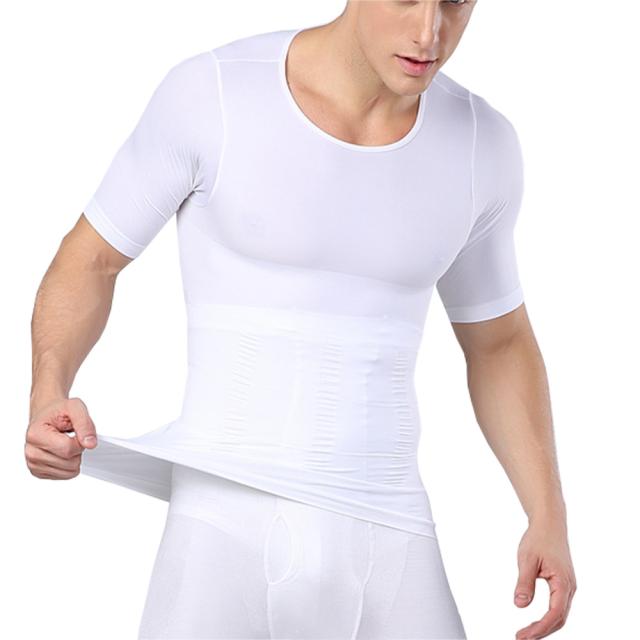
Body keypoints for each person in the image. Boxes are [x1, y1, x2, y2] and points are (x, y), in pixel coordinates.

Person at [26, 1, 577, 638]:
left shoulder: (482, 145)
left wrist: (547, 512)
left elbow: (498, 343)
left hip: (391, 534)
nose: (430, 32)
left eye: (454, 0)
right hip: (221, 537)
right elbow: (90, 260)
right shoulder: (214, 95)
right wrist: (48, 389)